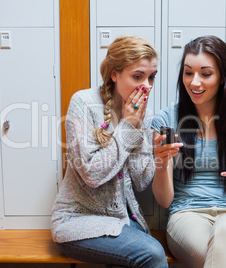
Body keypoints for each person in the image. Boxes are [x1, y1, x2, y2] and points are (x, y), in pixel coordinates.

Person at [51, 35, 168, 268]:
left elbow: (141, 181)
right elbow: (91, 174)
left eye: (151, 77)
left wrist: (154, 151)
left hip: (123, 220)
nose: (148, 86)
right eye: (138, 76)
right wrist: (127, 126)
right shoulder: (83, 103)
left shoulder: (142, 112)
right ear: (115, 74)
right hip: (78, 221)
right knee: (153, 254)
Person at [151, 36, 226, 268]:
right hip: (187, 216)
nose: (194, 82)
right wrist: (161, 163)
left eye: (205, 73)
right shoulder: (166, 119)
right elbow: (164, 201)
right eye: (188, 72)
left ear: (223, 76)